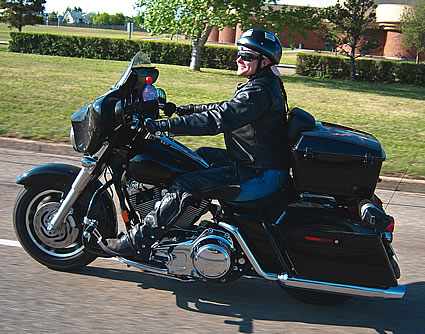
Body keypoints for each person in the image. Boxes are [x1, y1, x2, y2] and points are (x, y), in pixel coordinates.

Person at [106, 29, 290, 260]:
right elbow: (226, 107)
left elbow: (218, 119)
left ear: (264, 61)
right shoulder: (262, 83)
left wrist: (163, 126)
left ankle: (140, 242)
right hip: (255, 163)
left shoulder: (259, 91)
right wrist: (186, 110)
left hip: (260, 174)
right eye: (239, 53)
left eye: (247, 56)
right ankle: (180, 227)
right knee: (198, 157)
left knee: (186, 183)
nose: (239, 59)